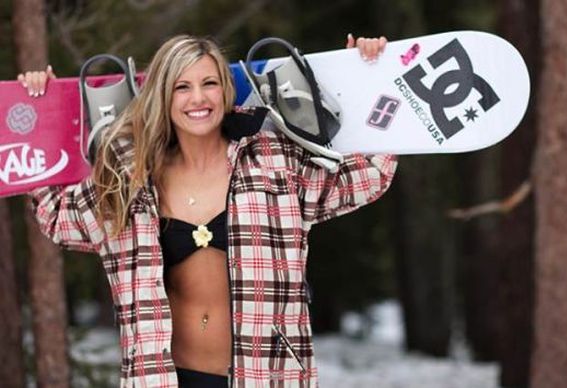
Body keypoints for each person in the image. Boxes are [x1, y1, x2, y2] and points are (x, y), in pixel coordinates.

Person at [20, 34, 396, 388]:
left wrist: (371, 73)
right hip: (162, 378)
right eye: (182, 87)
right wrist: (42, 112)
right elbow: (58, 217)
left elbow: (369, 176)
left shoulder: (271, 158)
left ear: (226, 90)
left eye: (209, 83)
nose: (197, 98)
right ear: (162, 97)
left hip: (266, 375)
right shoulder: (129, 174)